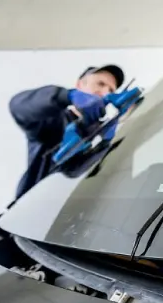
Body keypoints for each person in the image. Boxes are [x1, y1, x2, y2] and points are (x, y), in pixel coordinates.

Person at [9, 65, 125, 201]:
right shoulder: (53, 121)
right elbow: (18, 107)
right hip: (31, 210)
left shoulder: (106, 135)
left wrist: (104, 144)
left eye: (111, 90)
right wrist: (65, 96)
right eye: (100, 84)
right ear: (79, 85)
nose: (105, 92)